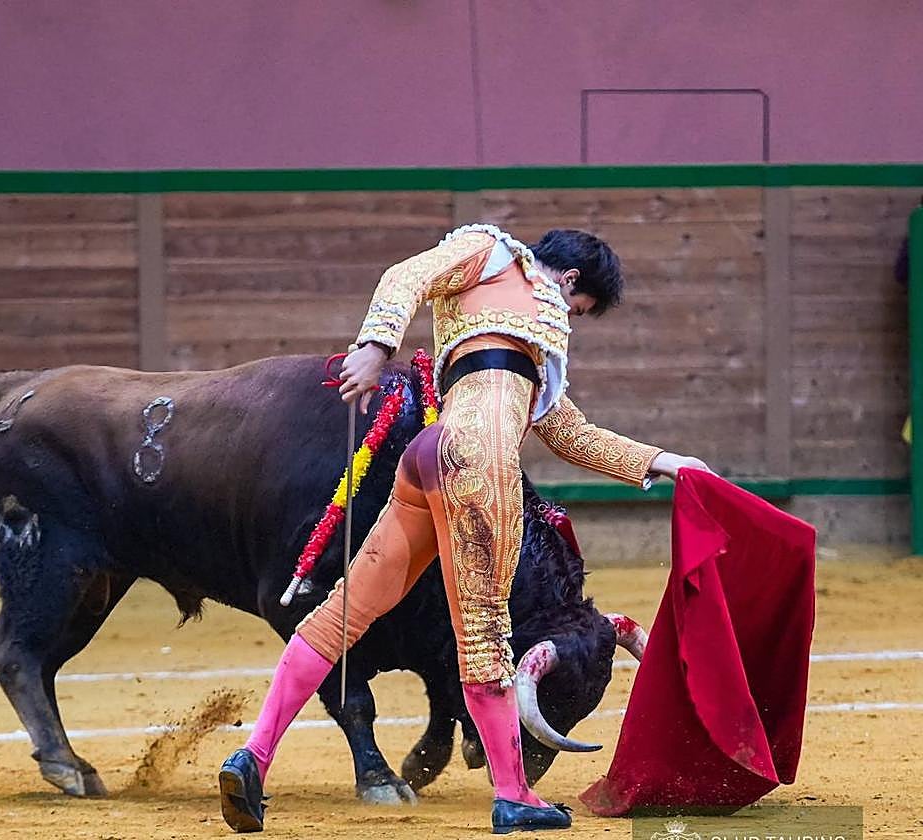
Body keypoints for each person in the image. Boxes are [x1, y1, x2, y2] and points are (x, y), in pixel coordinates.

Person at [217, 224, 710, 834]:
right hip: (479, 465)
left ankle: (253, 756)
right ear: (571, 280)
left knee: (340, 615)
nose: (572, 321)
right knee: (484, 637)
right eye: (580, 309)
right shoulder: (496, 254)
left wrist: (665, 462)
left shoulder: (508, 305)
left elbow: (573, 435)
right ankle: (514, 797)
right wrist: (376, 346)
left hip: (427, 454)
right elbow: (406, 275)